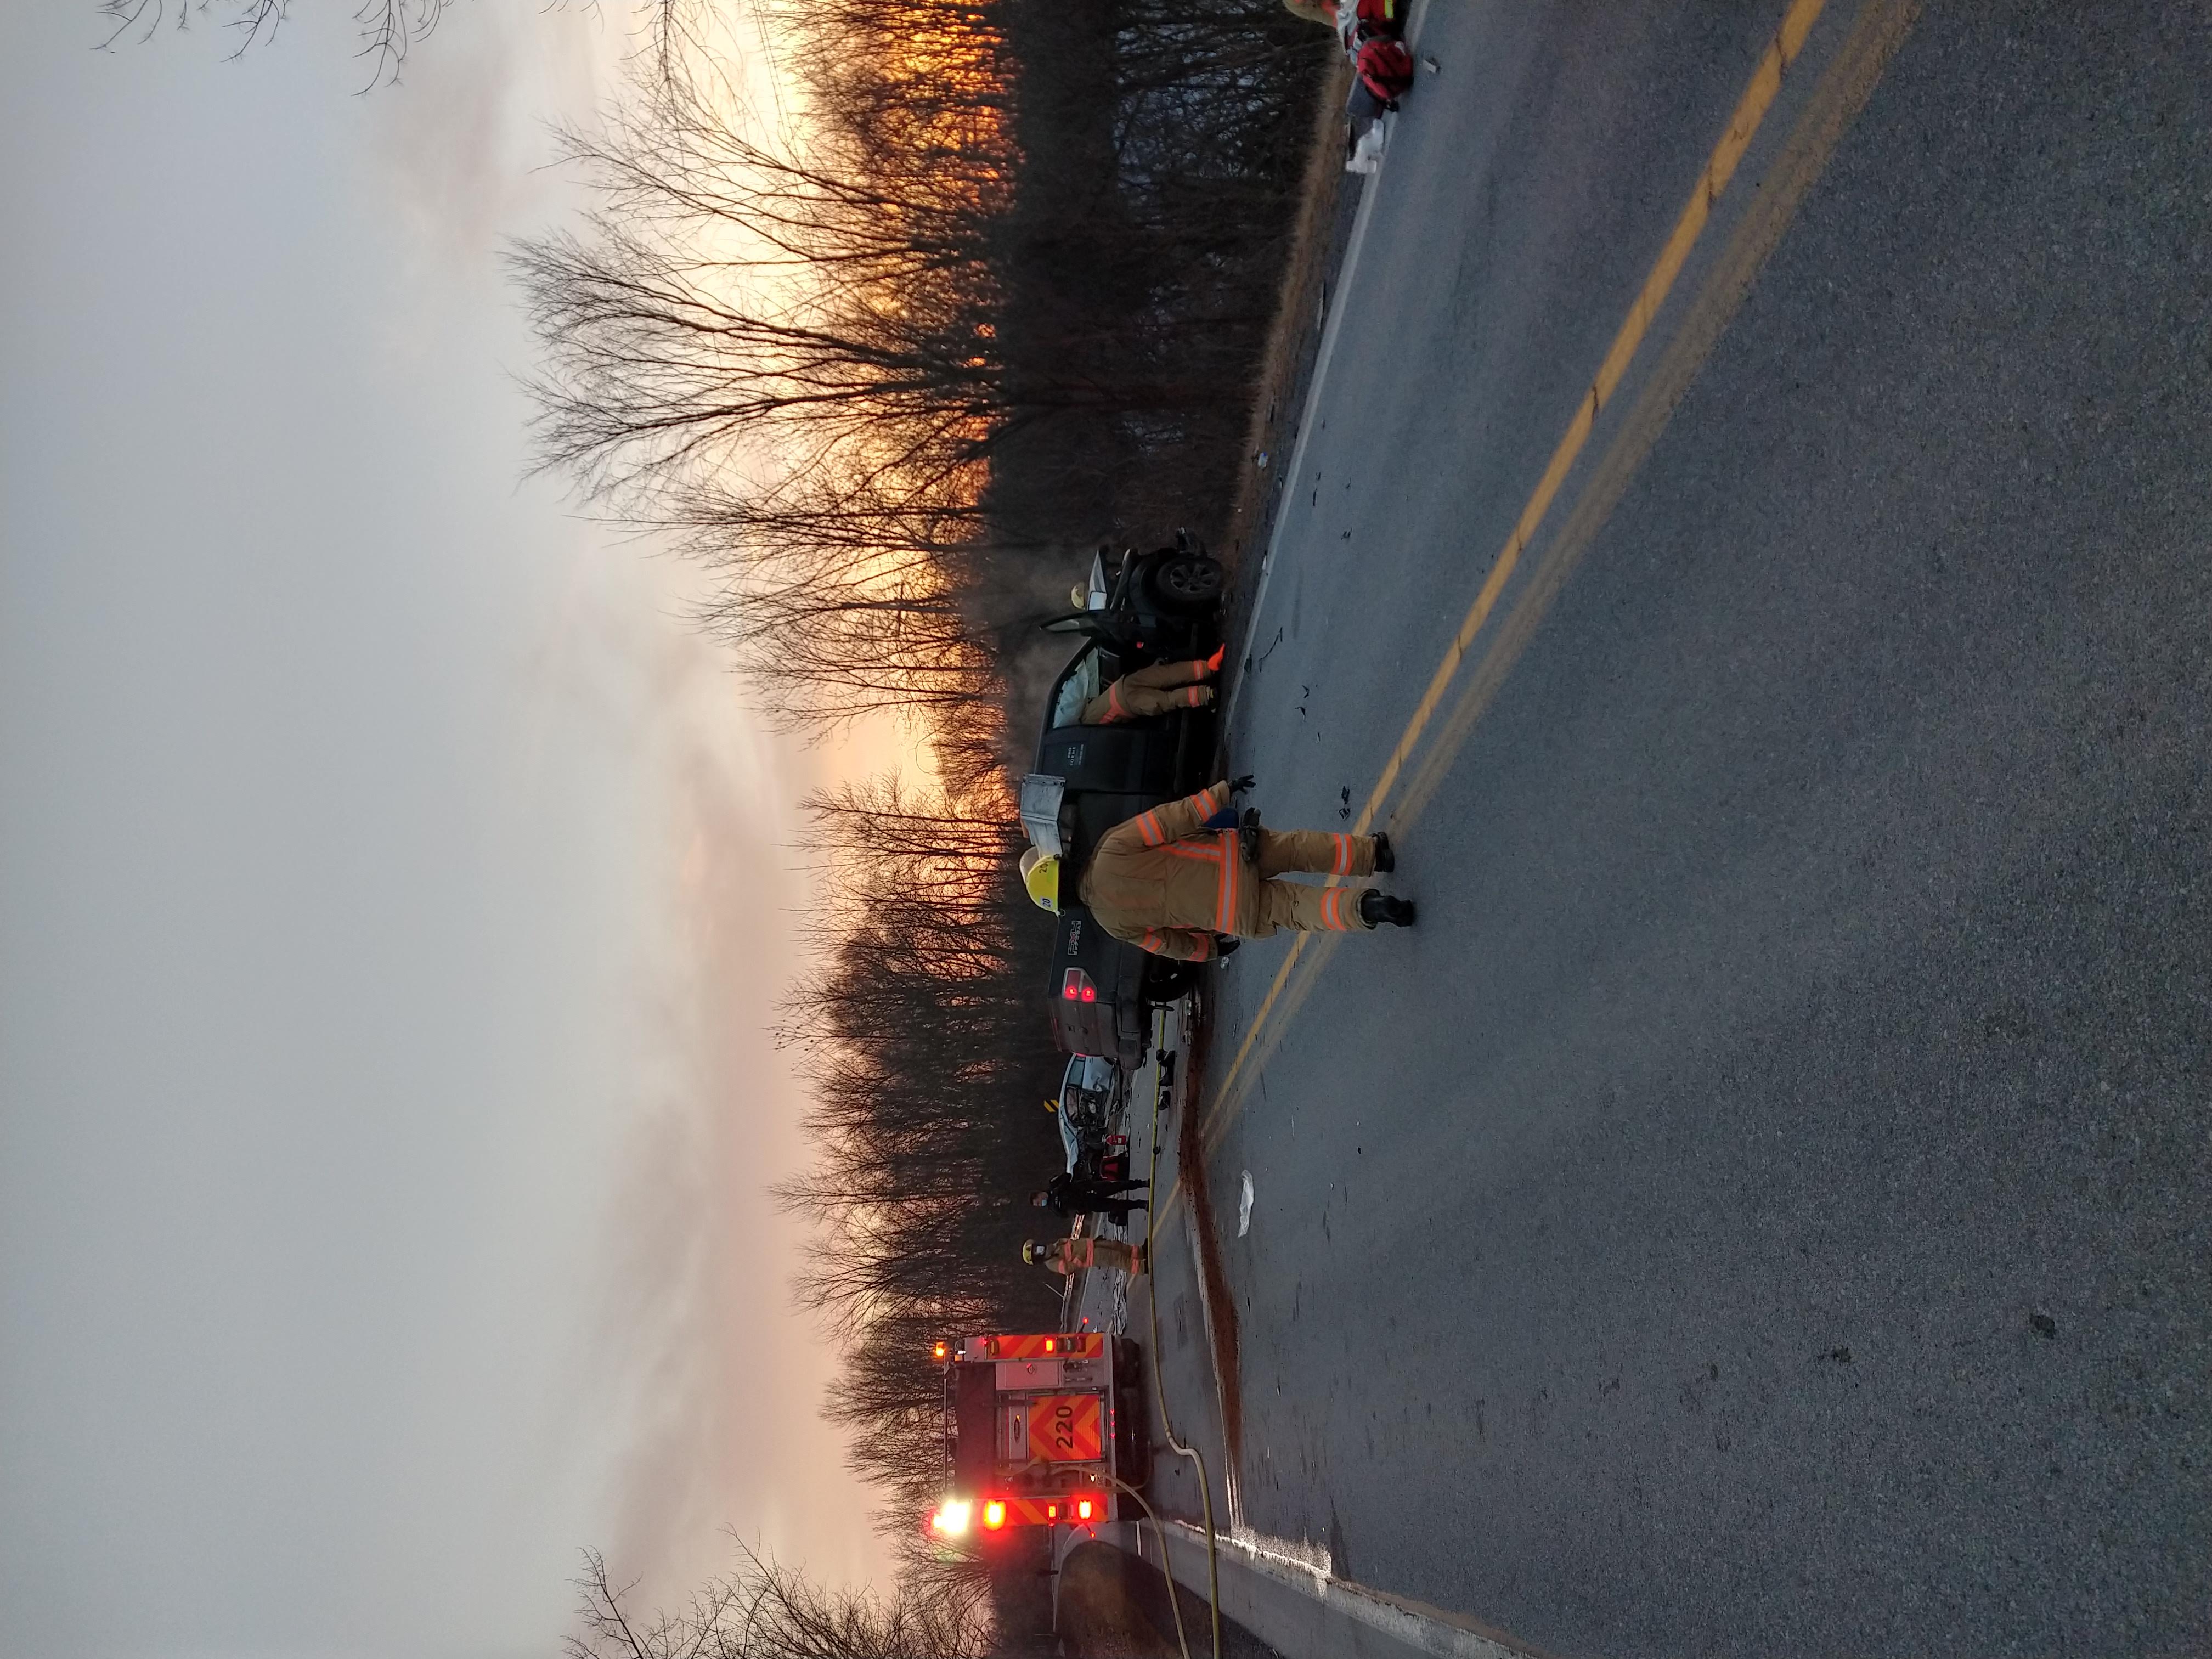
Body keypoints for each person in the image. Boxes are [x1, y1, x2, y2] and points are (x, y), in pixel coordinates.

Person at [1019, 778, 1415, 961]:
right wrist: (1221, 794)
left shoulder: (1110, 923)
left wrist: (1210, 949)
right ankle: (1372, 855)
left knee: (1302, 909)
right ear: (1062, 863)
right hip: (1237, 856)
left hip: (1233, 912)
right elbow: (1172, 819)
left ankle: (1367, 909)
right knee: (1300, 850)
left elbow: (1170, 945)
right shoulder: (1110, 848)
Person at [1081, 646, 1224, 725]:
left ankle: (1207, 695)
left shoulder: (1088, 725)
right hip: (1124, 684)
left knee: (1167, 700)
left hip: (1129, 703)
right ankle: (1209, 667)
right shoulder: (1086, 708)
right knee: (1168, 674)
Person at [1035, 1172, 1150, 1227]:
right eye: (1039, 1205)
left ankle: (1142, 1183)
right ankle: (1141, 1204)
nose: (1041, 1204)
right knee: (1115, 1206)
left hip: (1088, 1188)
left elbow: (1068, 1176)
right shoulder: (1052, 1208)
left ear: (1040, 1194)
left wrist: (1059, 1189)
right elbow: (1064, 1215)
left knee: (1117, 1186)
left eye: (1039, 1201)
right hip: (1088, 1204)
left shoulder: (1052, 1185)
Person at [1025, 1236, 1146, 1278]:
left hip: (1092, 1245)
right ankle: (1142, 1268)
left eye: (1036, 1248)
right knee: (1116, 1258)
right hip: (1092, 1256)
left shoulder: (1054, 1246)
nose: (1039, 1249)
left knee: (1117, 1246)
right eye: (1036, 1252)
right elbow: (1067, 1269)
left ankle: (1139, 1252)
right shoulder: (1051, 1263)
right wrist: (1079, 1258)